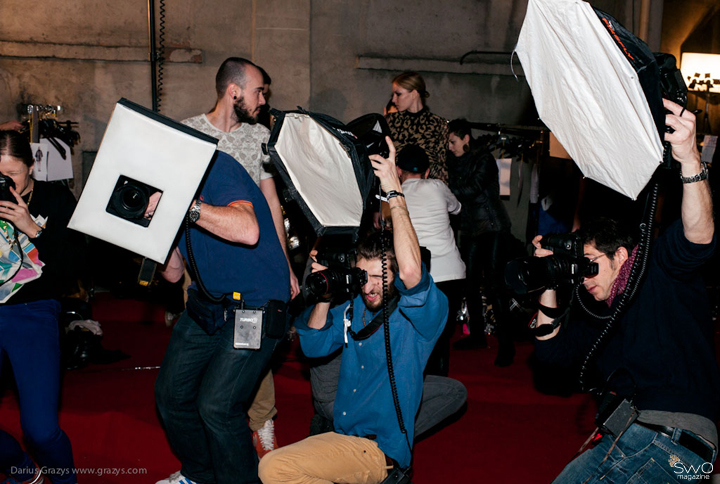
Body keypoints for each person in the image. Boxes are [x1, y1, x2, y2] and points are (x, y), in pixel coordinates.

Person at [531, 100, 719, 483]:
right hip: (641, 440)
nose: (585, 276)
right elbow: (551, 355)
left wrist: (689, 161)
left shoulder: (656, 267)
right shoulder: (602, 314)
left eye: (591, 263)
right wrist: (548, 281)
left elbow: (699, 237)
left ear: (620, 255)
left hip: (666, 433)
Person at [258, 137, 448, 484]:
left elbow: (411, 274)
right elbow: (313, 347)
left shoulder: (420, 318)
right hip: (343, 438)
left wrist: (393, 189)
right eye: (365, 276)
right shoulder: (353, 308)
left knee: (274, 468)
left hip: (380, 450)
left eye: (380, 277)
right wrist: (327, 291)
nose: (370, 286)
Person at [154, 66, 291, 484]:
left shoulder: (218, 162)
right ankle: (199, 473)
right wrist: (152, 235)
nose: (263, 99)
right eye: (258, 92)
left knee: (218, 406)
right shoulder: (180, 150)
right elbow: (174, 274)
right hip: (208, 297)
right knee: (171, 396)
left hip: (254, 299)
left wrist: (186, 207)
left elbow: (252, 227)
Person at [0, 130, 83, 484]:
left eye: (12, 173)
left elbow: (75, 268)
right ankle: (21, 470)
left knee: (41, 431)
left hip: (33, 312)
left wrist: (31, 227)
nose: (4, 182)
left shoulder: (55, 198)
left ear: (31, 167)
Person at [447, 119, 517, 366]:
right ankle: (477, 335)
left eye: (453, 141)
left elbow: (470, 189)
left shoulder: (484, 159)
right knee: (470, 286)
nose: (450, 146)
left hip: (493, 227)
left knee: (496, 287)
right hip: (470, 228)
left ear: (466, 138)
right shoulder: (455, 160)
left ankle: (507, 346)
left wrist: (445, 185)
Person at [395, 144, 465, 376]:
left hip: (417, 275)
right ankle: (440, 393)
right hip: (451, 274)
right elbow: (457, 209)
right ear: (426, 172)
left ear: (397, 170)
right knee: (441, 340)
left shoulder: (393, 196)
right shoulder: (437, 186)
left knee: (416, 338)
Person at [385, 71, 449, 183]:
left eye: (398, 94)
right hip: (395, 190)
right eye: (393, 95)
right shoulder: (390, 121)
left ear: (414, 94)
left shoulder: (438, 124)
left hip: (425, 192)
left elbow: (441, 169)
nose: (394, 100)